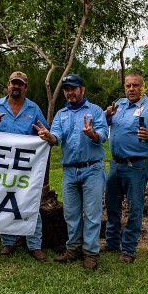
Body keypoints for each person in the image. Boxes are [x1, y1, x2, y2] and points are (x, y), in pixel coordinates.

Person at [33, 74, 108, 270]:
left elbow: (103, 134)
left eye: (73, 88)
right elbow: (56, 136)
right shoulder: (61, 114)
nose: (69, 92)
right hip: (69, 171)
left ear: (82, 90)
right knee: (71, 213)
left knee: (92, 214)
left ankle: (90, 253)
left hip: (92, 168)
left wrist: (92, 134)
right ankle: (73, 249)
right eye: (66, 89)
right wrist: (49, 137)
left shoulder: (95, 111)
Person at [0, 71, 49, 262]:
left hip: (26, 167)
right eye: (13, 83)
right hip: (0, 166)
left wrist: (42, 135)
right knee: (3, 202)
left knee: (31, 203)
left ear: (25, 87)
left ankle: (35, 245)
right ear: (8, 85)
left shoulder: (33, 109)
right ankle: (8, 242)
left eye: (21, 84)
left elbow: (45, 132)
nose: (16, 87)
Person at [103, 72, 148, 263]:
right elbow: (105, 125)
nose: (131, 89)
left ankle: (128, 249)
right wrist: (106, 115)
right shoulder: (119, 105)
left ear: (142, 87)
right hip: (115, 164)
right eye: (128, 86)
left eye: (135, 85)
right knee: (112, 205)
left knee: (135, 208)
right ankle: (112, 242)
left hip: (136, 166)